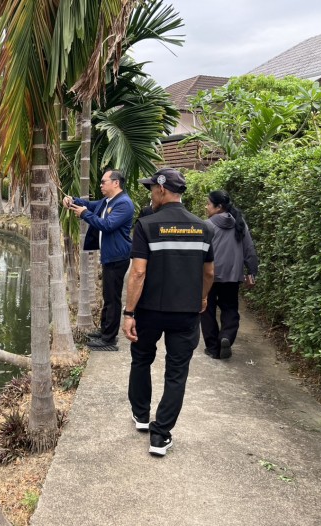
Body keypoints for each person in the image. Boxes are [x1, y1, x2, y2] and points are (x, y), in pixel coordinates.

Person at [121, 167, 214, 456]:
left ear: (161, 190)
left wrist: (129, 312)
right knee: (176, 372)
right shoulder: (203, 228)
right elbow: (209, 272)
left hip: (149, 311)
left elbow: (138, 273)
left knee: (141, 360)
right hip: (186, 312)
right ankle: (160, 436)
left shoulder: (146, 225)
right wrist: (202, 297)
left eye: (152, 189)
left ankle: (141, 415)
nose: (151, 194)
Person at [63, 169, 134, 351]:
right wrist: (72, 200)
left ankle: (109, 340)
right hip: (110, 256)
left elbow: (107, 225)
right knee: (108, 297)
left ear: (116, 183)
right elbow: (88, 204)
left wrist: (85, 214)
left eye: (104, 182)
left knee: (112, 298)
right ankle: (105, 331)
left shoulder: (124, 203)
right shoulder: (107, 201)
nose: (101, 185)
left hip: (118, 257)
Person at [201, 190, 259, 359]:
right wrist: (252, 272)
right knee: (230, 308)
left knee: (207, 310)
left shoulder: (207, 225)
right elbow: (249, 250)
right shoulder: (239, 223)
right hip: (232, 276)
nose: (206, 207)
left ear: (219, 207)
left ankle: (213, 348)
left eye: (208, 204)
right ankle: (226, 336)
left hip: (209, 275)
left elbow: (199, 252)